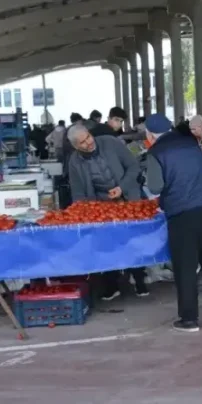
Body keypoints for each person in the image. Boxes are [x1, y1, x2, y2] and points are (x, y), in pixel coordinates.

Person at [143, 113, 202, 332]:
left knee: (186, 267)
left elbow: (154, 187)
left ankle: (189, 319)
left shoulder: (156, 152)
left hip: (183, 214)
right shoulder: (190, 143)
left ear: (149, 134)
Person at [65, 124, 147, 299]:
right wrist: (83, 212)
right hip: (101, 207)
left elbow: (134, 167)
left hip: (127, 199)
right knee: (106, 245)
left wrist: (121, 188)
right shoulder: (74, 161)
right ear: (75, 146)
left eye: (88, 137)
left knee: (132, 241)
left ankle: (140, 279)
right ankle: (112, 284)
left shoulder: (111, 142)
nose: (88, 143)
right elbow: (78, 192)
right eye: (82, 143)